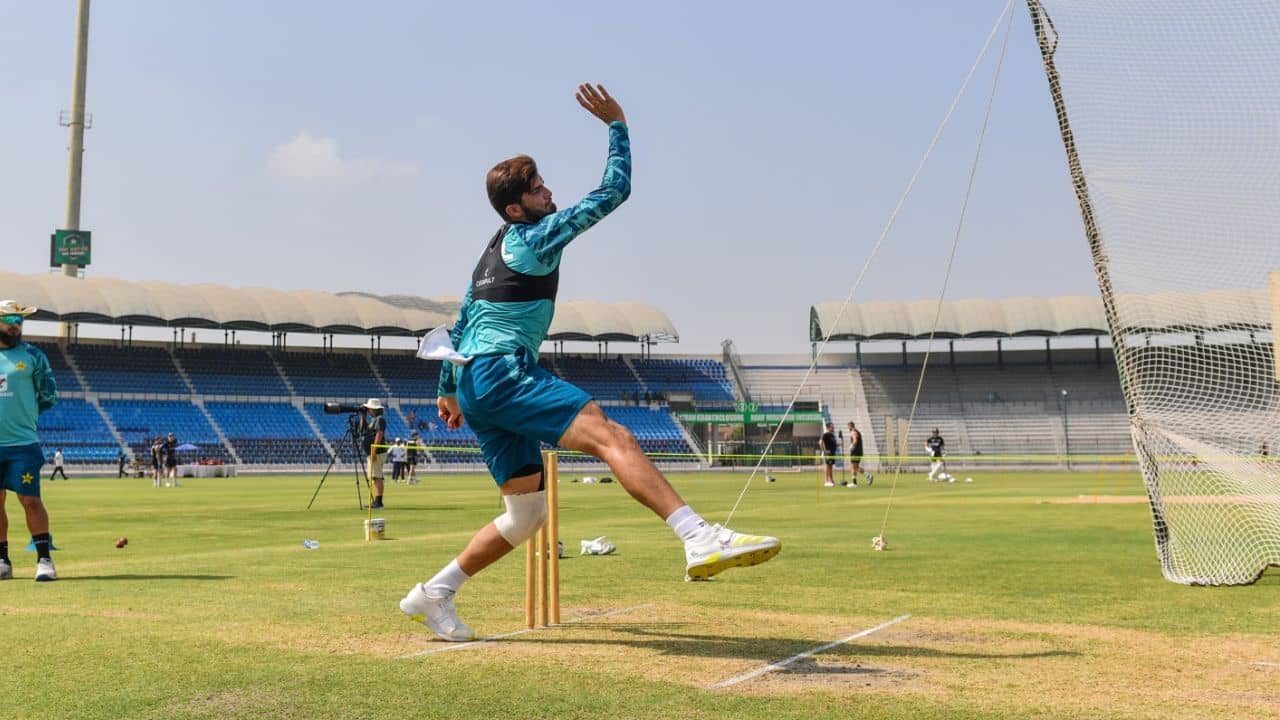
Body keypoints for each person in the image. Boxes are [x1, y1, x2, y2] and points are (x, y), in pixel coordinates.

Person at [399, 84, 780, 642]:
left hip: (478, 382)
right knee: (613, 436)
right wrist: (617, 124)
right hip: (504, 372)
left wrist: (450, 387)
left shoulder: (492, 247)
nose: (547, 190)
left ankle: (434, 594)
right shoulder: (535, 236)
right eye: (536, 188)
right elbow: (614, 191)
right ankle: (698, 536)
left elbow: (463, 319)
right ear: (515, 207)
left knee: (526, 516)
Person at [0, 300, 59, 581]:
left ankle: (44, 559)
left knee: (30, 499)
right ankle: (2, 561)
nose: (16, 324)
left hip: (22, 443)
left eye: (20, 319)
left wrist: (25, 416)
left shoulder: (34, 356)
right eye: (10, 318)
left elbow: (49, 395)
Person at [362, 399, 387, 508]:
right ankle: (376, 501)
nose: (368, 410)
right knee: (375, 476)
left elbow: (379, 433)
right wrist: (363, 416)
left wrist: (374, 450)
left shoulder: (379, 419)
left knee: (377, 476)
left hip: (376, 452)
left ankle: (378, 501)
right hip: (373, 451)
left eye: (369, 409)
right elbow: (364, 430)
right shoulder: (374, 420)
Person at [847, 421, 869, 487]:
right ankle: (868, 475)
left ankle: (854, 483)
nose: (848, 428)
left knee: (853, 467)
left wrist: (851, 446)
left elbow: (855, 441)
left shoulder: (853, 432)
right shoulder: (857, 431)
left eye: (848, 427)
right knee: (855, 467)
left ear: (850, 426)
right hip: (858, 452)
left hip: (855, 452)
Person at [818, 422, 838, 487]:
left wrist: (840, 444)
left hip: (833, 453)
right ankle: (826, 481)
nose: (833, 428)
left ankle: (831, 480)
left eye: (833, 427)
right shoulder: (825, 434)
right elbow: (820, 442)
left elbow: (834, 444)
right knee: (827, 466)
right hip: (828, 454)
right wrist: (824, 451)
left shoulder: (832, 435)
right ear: (828, 428)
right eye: (832, 427)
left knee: (831, 467)